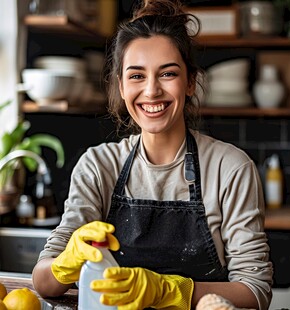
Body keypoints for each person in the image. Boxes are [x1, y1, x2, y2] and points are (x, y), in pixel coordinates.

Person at [32, 0, 273, 309]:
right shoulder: (98, 167)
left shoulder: (230, 168)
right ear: (120, 86)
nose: (151, 91)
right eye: (136, 76)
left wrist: (169, 290)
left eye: (167, 74)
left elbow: (256, 291)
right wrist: (66, 261)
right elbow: (42, 282)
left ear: (190, 82)